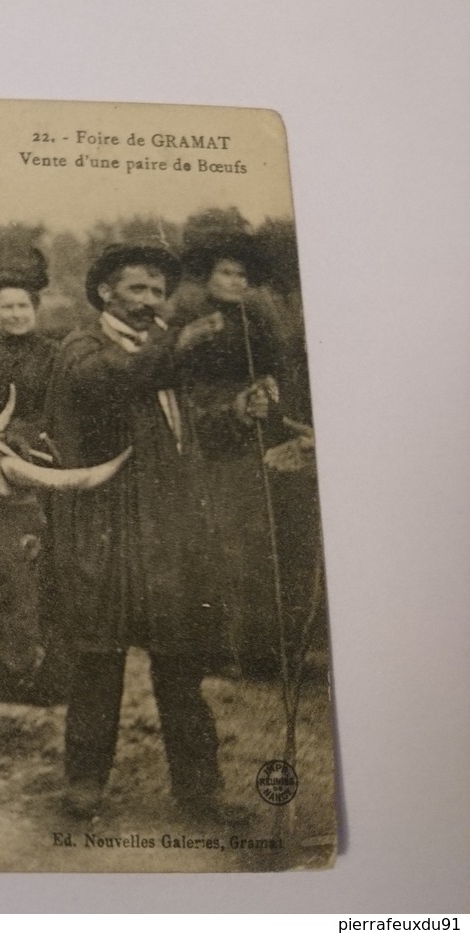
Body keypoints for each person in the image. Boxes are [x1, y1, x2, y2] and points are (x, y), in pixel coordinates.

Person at [44, 244, 268, 824]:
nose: (151, 302)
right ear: (105, 294)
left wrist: (238, 412)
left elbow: (184, 430)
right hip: (105, 530)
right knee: (99, 661)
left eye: (158, 292)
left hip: (168, 531)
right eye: (138, 290)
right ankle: (85, 783)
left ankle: (201, 790)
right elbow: (120, 388)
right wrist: (177, 337)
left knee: (181, 664)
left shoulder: (162, 352)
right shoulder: (82, 349)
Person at [172, 232, 322, 678]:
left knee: (260, 546)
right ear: (207, 276)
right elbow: (183, 391)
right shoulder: (190, 321)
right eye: (225, 273)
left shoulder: (256, 321)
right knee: (223, 544)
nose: (235, 282)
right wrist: (233, 408)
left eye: (241, 275)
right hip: (207, 444)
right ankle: (223, 650)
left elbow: (273, 374)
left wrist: (268, 397)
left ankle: (264, 649)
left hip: (253, 442)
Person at [0, 248, 58, 454]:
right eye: (7, 307)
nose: (16, 314)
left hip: (41, 450)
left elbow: (59, 413)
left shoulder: (55, 355)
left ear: (35, 309)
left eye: (23, 306)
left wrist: (19, 432)